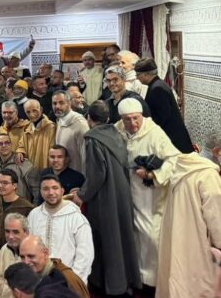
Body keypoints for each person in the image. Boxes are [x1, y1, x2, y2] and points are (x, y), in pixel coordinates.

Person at [71, 101, 141, 296]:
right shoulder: (117, 135)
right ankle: (126, 281)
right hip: (122, 193)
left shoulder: (93, 139)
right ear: (108, 118)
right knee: (122, 237)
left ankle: (111, 285)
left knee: (108, 239)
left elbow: (96, 174)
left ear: (89, 119)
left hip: (104, 198)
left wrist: (82, 195)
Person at [115, 98, 180, 292]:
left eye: (136, 118)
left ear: (141, 115)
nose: (132, 123)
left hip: (150, 195)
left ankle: (153, 282)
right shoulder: (118, 130)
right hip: (127, 192)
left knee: (151, 237)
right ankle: (136, 278)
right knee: (131, 236)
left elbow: (174, 159)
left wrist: (152, 175)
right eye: (127, 119)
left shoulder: (154, 133)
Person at [156, 153, 221, 298]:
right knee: (200, 285)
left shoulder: (176, 170)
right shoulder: (208, 175)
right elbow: (215, 215)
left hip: (175, 240)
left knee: (178, 281)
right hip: (199, 244)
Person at [28, 174, 93, 283]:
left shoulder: (76, 218)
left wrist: (72, 281)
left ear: (62, 191)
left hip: (68, 281)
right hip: (38, 281)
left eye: (55, 188)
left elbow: (85, 255)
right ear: (40, 192)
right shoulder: (34, 215)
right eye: (46, 189)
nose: (51, 192)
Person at [135, 57, 194, 153]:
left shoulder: (157, 89)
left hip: (172, 139)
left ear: (146, 74)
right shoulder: (157, 85)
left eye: (138, 75)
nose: (136, 78)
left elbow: (162, 117)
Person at [19, 236, 90, 298]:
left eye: (31, 256)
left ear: (46, 253)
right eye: (22, 257)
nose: (26, 262)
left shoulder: (68, 279)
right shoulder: (32, 276)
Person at [0, 168, 35, 252]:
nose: (0, 185)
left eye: (5, 183)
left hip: (14, 252)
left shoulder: (26, 207)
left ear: (14, 185)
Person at [0, 133, 39, 203]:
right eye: (0, 144)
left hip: (21, 206)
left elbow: (36, 191)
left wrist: (34, 208)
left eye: (7, 143)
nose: (4, 146)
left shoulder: (24, 164)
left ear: (11, 144)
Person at [0, 213, 31, 298]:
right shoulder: (4, 250)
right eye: (7, 231)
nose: (10, 236)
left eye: (15, 232)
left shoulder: (33, 252)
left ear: (26, 232)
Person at [52, 90, 88, 173]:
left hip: (78, 176)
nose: (57, 106)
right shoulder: (60, 120)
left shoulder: (80, 123)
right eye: (54, 103)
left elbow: (86, 156)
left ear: (69, 103)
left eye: (61, 103)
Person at [22, 100, 57, 171]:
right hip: (29, 170)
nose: (31, 114)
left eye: (34, 110)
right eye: (28, 112)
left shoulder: (51, 127)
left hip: (45, 169)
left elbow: (53, 151)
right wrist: (20, 152)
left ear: (41, 109)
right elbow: (21, 145)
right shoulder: (27, 128)